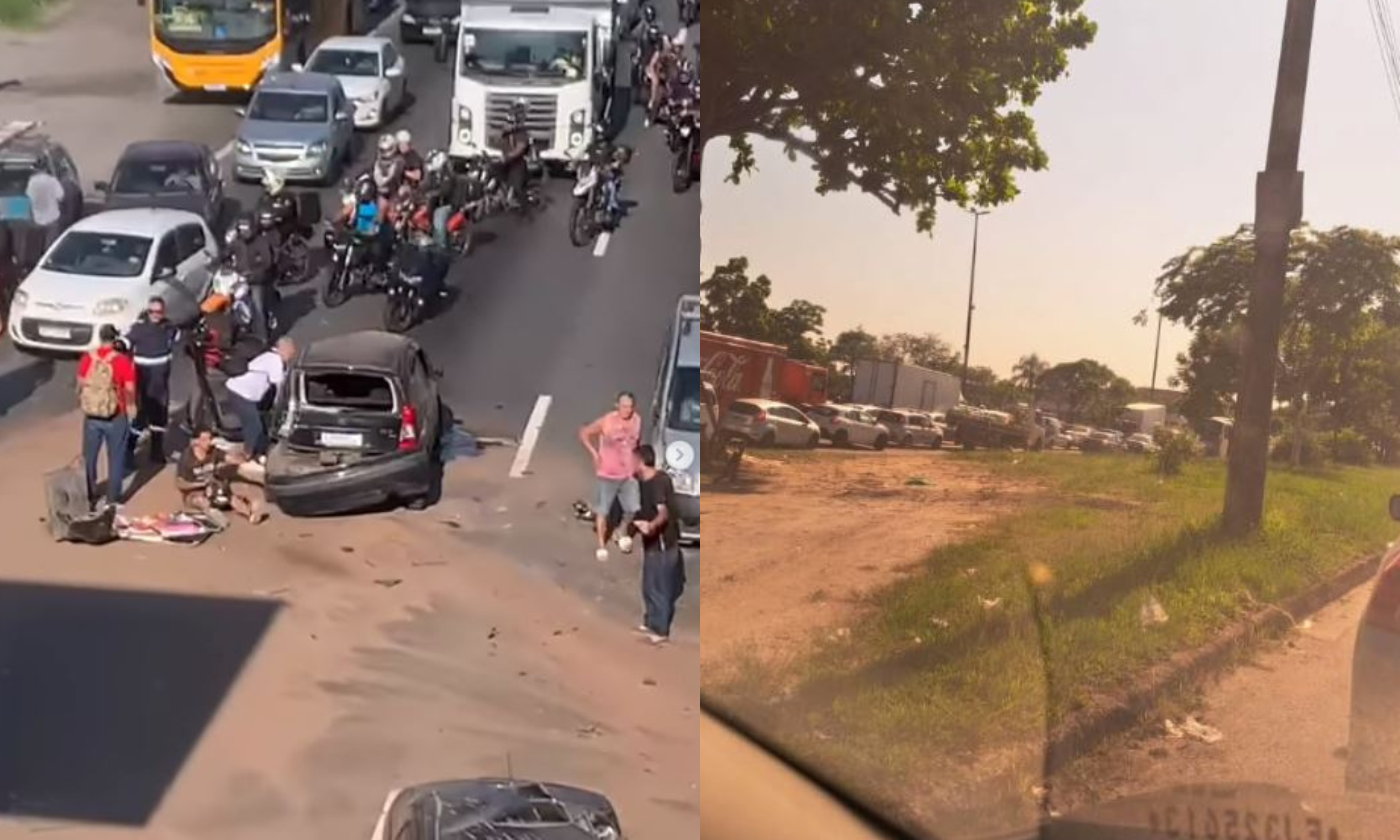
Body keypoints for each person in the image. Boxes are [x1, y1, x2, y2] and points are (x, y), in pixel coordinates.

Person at [77, 325, 138, 509]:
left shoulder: (89, 357)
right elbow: (129, 388)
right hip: (115, 414)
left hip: (92, 416)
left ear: (99, 337)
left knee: (89, 458)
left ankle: (89, 495)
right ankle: (112, 500)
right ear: (115, 339)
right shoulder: (122, 361)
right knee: (116, 458)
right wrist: (131, 407)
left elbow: (81, 383)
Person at [578, 391, 642, 562]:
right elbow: (584, 433)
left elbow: (636, 444)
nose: (627, 410)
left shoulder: (637, 421)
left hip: (628, 474)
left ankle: (620, 532)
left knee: (632, 508)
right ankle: (601, 545)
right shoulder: (607, 421)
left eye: (630, 406)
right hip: (608, 473)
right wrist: (594, 454)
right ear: (617, 406)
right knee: (602, 511)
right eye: (623, 406)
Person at [633, 443, 684, 644]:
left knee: (659, 587)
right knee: (648, 585)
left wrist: (651, 527)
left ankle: (661, 630)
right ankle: (650, 622)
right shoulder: (642, 481)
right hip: (651, 543)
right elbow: (642, 510)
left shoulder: (657, 483)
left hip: (663, 543)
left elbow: (663, 513)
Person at [124, 296, 180, 464]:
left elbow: (179, 336)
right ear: (147, 312)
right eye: (152, 311)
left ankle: (156, 454)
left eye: (159, 312)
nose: (155, 315)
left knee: (160, 417)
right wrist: (119, 344)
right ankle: (128, 453)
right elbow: (127, 340)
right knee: (142, 417)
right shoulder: (139, 329)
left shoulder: (169, 327)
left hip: (161, 384)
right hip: (145, 383)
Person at [175, 426, 266, 528]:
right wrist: (201, 484)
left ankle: (250, 514)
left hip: (214, 488)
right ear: (196, 441)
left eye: (210, 439)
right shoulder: (187, 458)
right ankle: (217, 519)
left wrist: (244, 457)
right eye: (205, 439)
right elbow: (180, 483)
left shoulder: (214, 451)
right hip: (194, 492)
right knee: (202, 501)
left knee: (232, 496)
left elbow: (230, 458)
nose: (209, 442)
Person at [224, 337, 297, 462]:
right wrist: (280, 404)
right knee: (254, 426)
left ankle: (256, 450)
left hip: (241, 393)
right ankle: (247, 454)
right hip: (241, 393)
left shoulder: (270, 355)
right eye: (291, 353)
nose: (291, 356)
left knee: (253, 423)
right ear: (284, 349)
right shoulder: (275, 360)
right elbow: (279, 384)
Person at [226, 212, 275, 343]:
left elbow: (267, 262)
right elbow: (227, 253)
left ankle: (263, 338)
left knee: (258, 308)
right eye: (241, 228)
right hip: (239, 278)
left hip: (255, 280)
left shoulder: (261, 242)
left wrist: (254, 273)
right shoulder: (237, 242)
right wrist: (219, 261)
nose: (244, 231)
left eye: (246, 227)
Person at [24, 161, 64, 269]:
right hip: (52, 218)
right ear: (46, 169)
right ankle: (48, 266)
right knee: (50, 247)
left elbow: (29, 198)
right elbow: (61, 197)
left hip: (37, 219)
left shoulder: (32, 181)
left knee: (35, 246)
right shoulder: (52, 181)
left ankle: (33, 267)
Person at [500, 100, 533, 209]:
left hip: (519, 161)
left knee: (516, 177)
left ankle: (519, 200)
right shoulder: (506, 133)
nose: (506, 125)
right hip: (507, 160)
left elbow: (520, 149)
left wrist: (508, 156)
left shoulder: (522, 133)